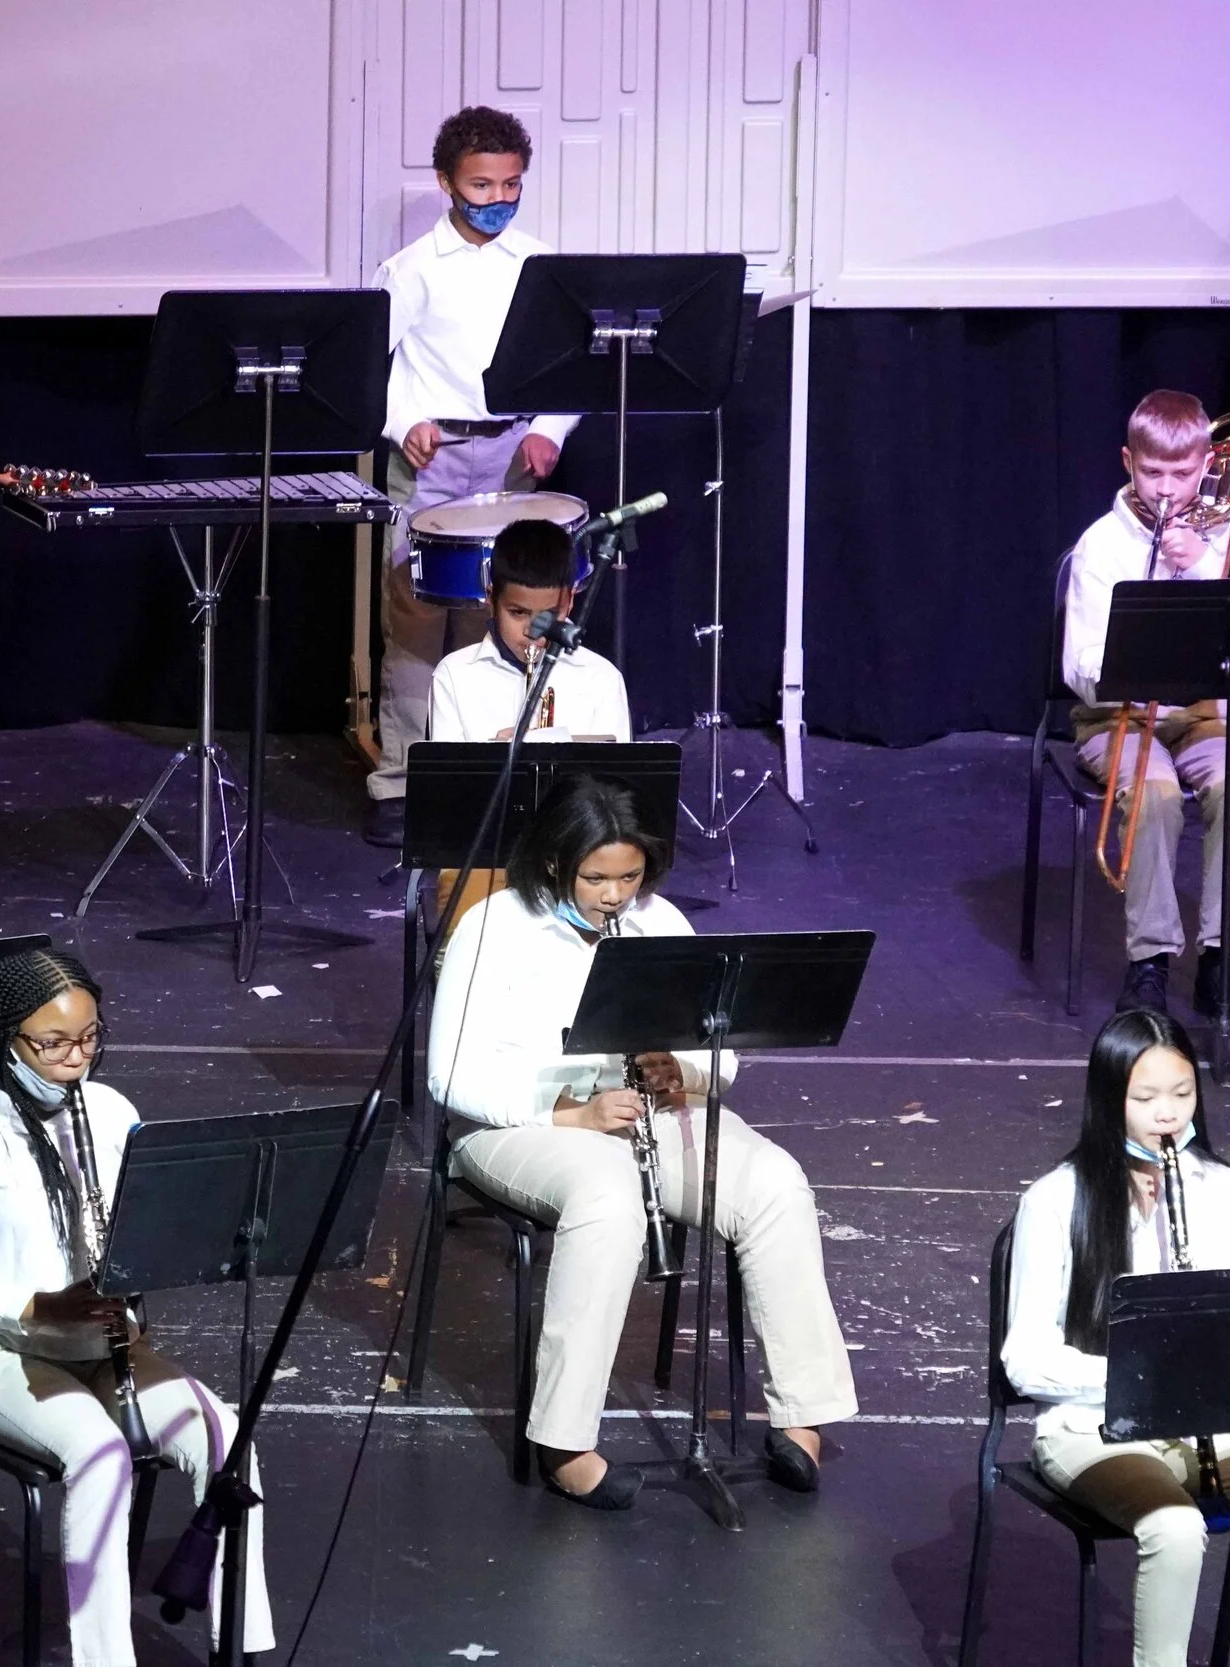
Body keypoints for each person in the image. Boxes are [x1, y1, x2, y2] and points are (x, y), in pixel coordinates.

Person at [426, 773, 858, 1507]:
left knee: (775, 1183)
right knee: (607, 1198)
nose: (614, 896)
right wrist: (568, 1113)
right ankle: (563, 1439)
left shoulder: (658, 922)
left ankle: (803, 1414)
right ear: (555, 861)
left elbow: (723, 1055)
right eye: (596, 878)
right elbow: (450, 1075)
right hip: (522, 1126)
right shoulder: (493, 926)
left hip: (645, 1112)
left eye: (629, 877)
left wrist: (683, 1068)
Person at [0, 947, 275, 1665]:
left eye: (88, 1038)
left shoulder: (112, 1113)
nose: (76, 1057)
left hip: (109, 1346)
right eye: (52, 1042)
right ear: (6, 1038)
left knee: (226, 1437)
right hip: (6, 1356)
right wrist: (42, 1307)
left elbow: (145, 1228)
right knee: (101, 1453)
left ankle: (238, 1648)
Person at [1003, 1009, 1230, 1665]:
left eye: (1182, 1093)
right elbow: (1024, 1358)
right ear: (1107, 1100)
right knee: (1175, 1530)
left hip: (1209, 1423)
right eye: (1145, 1098)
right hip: (1092, 1424)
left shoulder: (1222, 1189)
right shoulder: (1056, 1199)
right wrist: (1139, 1378)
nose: (1168, 1114)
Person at [365, 105, 581, 847]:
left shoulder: (539, 265)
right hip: (434, 457)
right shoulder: (411, 269)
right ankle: (402, 783)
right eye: (482, 185)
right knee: (418, 619)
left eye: (511, 184)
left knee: (504, 614)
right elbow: (372, 365)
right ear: (446, 182)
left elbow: (567, 364)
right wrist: (405, 421)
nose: (497, 199)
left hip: (511, 453)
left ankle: (494, 774)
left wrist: (549, 429)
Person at [1063, 391, 1230, 1021]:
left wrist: (1205, 566)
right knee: (1153, 794)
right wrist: (1133, 664)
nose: (1166, 489)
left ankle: (1220, 958)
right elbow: (1079, 666)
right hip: (1120, 716)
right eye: (1153, 472)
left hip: (1207, 713)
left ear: (1206, 465)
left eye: (1182, 474)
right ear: (1129, 462)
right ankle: (1149, 959)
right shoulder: (1102, 545)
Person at [428, 516, 629, 746]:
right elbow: (447, 769)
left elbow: (615, 769)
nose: (534, 631)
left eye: (549, 615)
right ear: (491, 599)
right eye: (518, 612)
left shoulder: (601, 678)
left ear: (570, 601)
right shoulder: (454, 675)